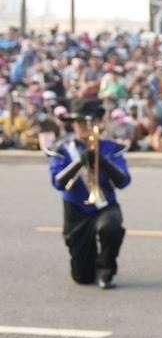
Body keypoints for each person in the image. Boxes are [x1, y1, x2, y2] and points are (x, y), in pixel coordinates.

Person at [48, 98, 130, 289]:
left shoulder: (111, 148)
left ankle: (106, 269)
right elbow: (57, 182)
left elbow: (124, 181)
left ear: (97, 122)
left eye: (89, 121)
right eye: (79, 122)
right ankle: (89, 264)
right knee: (83, 277)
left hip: (104, 206)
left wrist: (102, 160)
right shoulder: (63, 150)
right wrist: (79, 163)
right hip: (76, 210)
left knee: (111, 227)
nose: (84, 126)